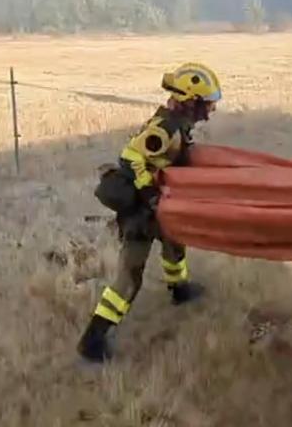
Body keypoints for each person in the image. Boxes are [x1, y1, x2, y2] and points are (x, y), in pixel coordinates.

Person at [77, 62, 222, 363]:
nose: (212, 110)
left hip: (160, 208)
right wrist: (150, 193)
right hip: (141, 214)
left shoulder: (178, 124)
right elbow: (130, 157)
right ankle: (92, 340)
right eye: (208, 104)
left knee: (175, 245)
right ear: (190, 102)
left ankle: (179, 289)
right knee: (129, 279)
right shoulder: (164, 129)